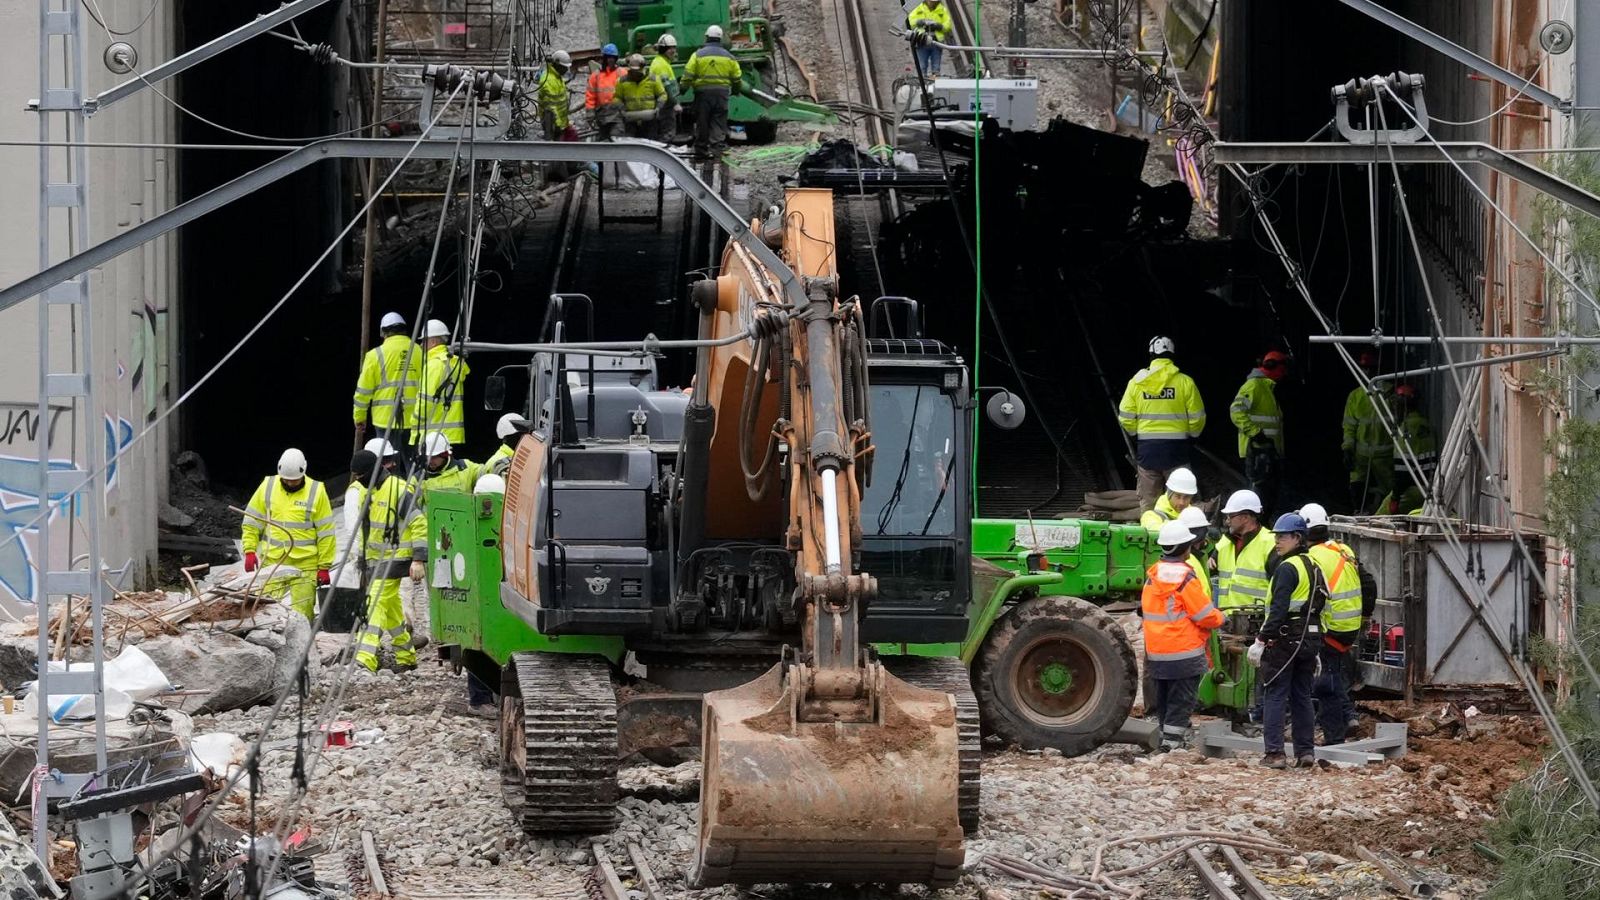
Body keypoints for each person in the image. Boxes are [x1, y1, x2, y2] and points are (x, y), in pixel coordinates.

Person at [1248, 513, 1326, 768]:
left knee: (1275, 692)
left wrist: (1261, 640)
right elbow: (1320, 604)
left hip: (1285, 639)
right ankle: (1305, 752)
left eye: (1282, 537)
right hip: (1310, 637)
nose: (1277, 542)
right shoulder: (1314, 566)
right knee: (1301, 694)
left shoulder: (1287, 568)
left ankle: (1275, 754)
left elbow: (1279, 609)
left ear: (1298, 538)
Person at [1140, 521, 1225, 751]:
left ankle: (1164, 741)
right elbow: (1205, 615)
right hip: (1184, 652)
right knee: (1182, 700)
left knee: (1165, 699)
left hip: (1157, 653)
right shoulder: (1186, 578)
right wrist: (1221, 618)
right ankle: (1173, 746)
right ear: (1185, 547)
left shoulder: (1153, 576)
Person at [356, 443, 427, 673]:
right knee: (392, 609)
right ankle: (406, 657)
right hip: (377, 562)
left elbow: (418, 522)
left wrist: (418, 559)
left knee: (374, 604)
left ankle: (365, 659)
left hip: (397, 560)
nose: (358, 480)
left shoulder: (398, 489)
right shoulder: (369, 491)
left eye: (361, 476)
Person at [241, 449, 336, 619]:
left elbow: (326, 533)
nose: (290, 484)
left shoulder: (317, 491)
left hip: (305, 564)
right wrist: (249, 550)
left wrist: (324, 566)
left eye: (294, 481)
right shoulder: (268, 486)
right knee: (265, 610)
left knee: (302, 614)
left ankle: (303, 644)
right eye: (286, 480)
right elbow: (251, 521)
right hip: (273, 560)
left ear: (303, 473)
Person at [1301, 502, 1368, 744]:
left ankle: (1339, 728)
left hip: (1331, 626)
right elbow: (1367, 582)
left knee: (1325, 679)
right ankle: (1344, 722)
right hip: (1351, 624)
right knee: (1333, 672)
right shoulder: (1344, 550)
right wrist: (1365, 615)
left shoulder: (1312, 558)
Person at [1117, 336, 1206, 513]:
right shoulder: (1185, 382)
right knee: (1181, 499)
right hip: (1177, 451)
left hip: (1148, 451)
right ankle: (1182, 538)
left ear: (1151, 355)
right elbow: (1198, 417)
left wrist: (1135, 434)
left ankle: (1150, 534)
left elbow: (1125, 416)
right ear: (1172, 355)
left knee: (1149, 502)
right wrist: (1193, 435)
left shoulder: (1137, 382)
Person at [353, 312, 422, 454]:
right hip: (415, 419)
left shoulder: (374, 355)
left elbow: (363, 391)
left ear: (383, 332)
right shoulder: (419, 350)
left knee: (388, 464)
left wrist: (360, 417)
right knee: (414, 465)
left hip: (385, 420)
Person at [1230, 350, 1288, 515]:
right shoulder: (1254, 386)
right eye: (1282, 369)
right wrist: (1255, 432)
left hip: (1267, 452)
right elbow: (1236, 411)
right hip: (1256, 452)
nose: (1284, 374)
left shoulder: (1267, 388)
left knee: (1268, 495)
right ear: (1272, 366)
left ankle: (1262, 525)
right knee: (1258, 495)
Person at [1342, 351, 1393, 513]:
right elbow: (1349, 425)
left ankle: (1381, 513)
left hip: (1384, 453)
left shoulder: (1390, 394)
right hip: (1363, 454)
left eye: (1369, 368)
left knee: (1388, 488)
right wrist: (1348, 448)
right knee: (1358, 483)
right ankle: (1361, 510)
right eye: (1364, 368)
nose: (1367, 372)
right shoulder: (1356, 396)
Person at [682, 25, 742, 159]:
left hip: (702, 94)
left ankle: (701, 149)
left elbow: (688, 74)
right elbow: (737, 77)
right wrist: (736, 90)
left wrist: (683, 89)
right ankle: (717, 147)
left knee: (702, 120)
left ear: (707, 37)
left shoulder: (697, 55)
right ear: (720, 38)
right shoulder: (729, 57)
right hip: (722, 93)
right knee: (719, 119)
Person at [1378, 383, 1436, 515]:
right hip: (1430, 487)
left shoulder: (1405, 430)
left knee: (1379, 518)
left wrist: (1395, 498)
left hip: (1411, 489)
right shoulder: (1425, 425)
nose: (1394, 409)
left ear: (1404, 406)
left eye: (1396, 405)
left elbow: (1403, 470)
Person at [1215, 489, 1274, 614]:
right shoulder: (1225, 541)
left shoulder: (1270, 544)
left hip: (1256, 623)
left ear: (1245, 517)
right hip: (1226, 622)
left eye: (1231, 516)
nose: (1227, 521)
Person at [416, 319, 469, 447]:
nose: (421, 345)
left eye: (424, 341)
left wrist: (415, 423)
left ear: (433, 342)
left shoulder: (434, 364)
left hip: (432, 435)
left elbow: (425, 401)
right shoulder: (454, 362)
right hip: (451, 434)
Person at [616, 55, 667, 138]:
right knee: (631, 142)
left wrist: (658, 107)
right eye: (633, 71)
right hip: (630, 120)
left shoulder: (653, 79)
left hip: (650, 119)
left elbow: (662, 95)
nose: (636, 74)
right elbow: (617, 98)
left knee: (651, 142)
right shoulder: (622, 81)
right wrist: (621, 109)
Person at [419, 431, 485, 496]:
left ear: (444, 455)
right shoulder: (420, 478)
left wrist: (494, 461)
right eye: (427, 457)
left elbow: (486, 471)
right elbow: (409, 498)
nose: (429, 461)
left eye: (434, 457)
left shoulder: (465, 467)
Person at [586, 43, 626, 141]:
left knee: (616, 138)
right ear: (604, 58)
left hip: (618, 114)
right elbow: (590, 95)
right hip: (602, 115)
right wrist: (590, 113)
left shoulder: (622, 73)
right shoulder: (596, 76)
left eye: (613, 57)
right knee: (604, 140)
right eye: (608, 57)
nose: (610, 60)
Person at [1139, 467, 1197, 531]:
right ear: (1169, 495)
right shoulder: (1150, 516)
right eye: (1177, 496)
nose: (1181, 502)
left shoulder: (1195, 518)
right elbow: (1153, 528)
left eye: (1186, 497)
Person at [538, 50, 578, 142]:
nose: (566, 70)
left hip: (559, 122)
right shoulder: (548, 80)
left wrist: (565, 123)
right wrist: (558, 126)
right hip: (553, 123)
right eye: (564, 68)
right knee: (555, 150)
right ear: (557, 65)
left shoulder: (556, 77)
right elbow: (550, 108)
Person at [906, 0, 952, 79]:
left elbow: (948, 25)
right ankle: (921, 86)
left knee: (936, 68)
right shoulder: (918, 9)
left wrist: (939, 26)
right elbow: (910, 21)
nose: (932, 3)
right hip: (921, 42)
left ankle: (934, 85)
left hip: (936, 43)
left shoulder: (942, 10)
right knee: (922, 66)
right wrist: (919, 22)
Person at [649, 34, 682, 141]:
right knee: (667, 133)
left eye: (674, 47)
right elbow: (666, 86)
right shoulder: (661, 64)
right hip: (666, 106)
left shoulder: (660, 62)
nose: (673, 51)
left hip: (663, 104)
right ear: (663, 49)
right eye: (670, 48)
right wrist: (675, 103)